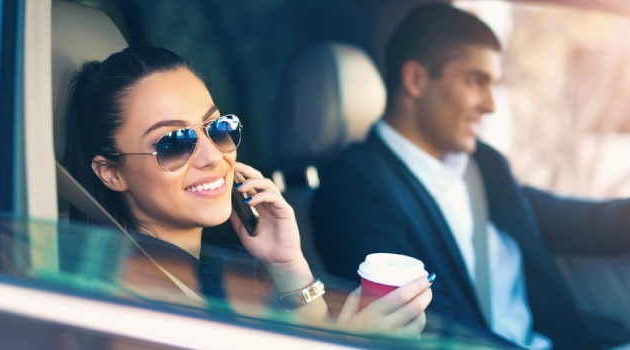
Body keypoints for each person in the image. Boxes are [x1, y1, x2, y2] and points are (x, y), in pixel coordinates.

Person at [311, 3, 630, 349]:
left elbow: (594, 225)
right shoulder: (354, 188)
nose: (490, 104)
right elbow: (428, 322)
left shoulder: (482, 165)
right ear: (415, 80)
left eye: (493, 84)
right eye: (475, 81)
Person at [63, 45, 432, 337]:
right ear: (111, 173)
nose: (213, 156)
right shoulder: (119, 301)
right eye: (173, 142)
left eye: (218, 128)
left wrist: (288, 266)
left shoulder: (234, 271)